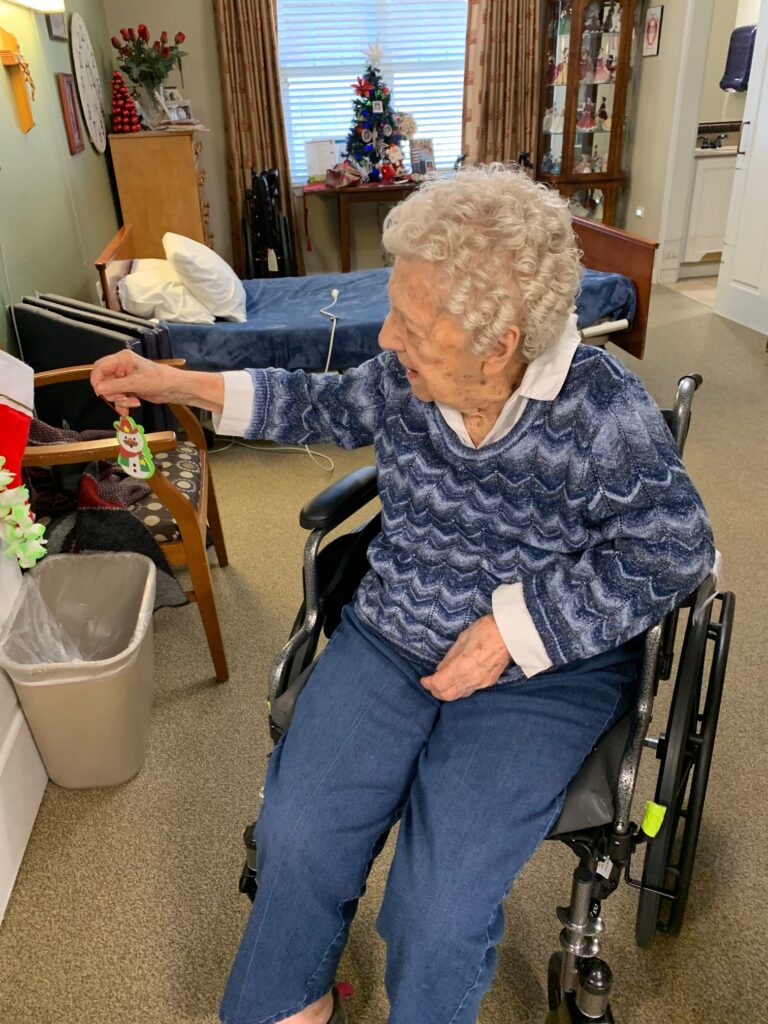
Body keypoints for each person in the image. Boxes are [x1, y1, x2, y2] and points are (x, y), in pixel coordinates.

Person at [91, 165, 715, 1024]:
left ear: (498, 344)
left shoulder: (602, 415)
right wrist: (175, 383)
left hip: (542, 675)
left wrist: (513, 630)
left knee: (438, 908)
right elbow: (317, 404)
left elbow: (677, 549)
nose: (386, 339)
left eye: (412, 326)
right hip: (395, 630)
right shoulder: (404, 379)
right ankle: (293, 1001)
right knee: (296, 837)